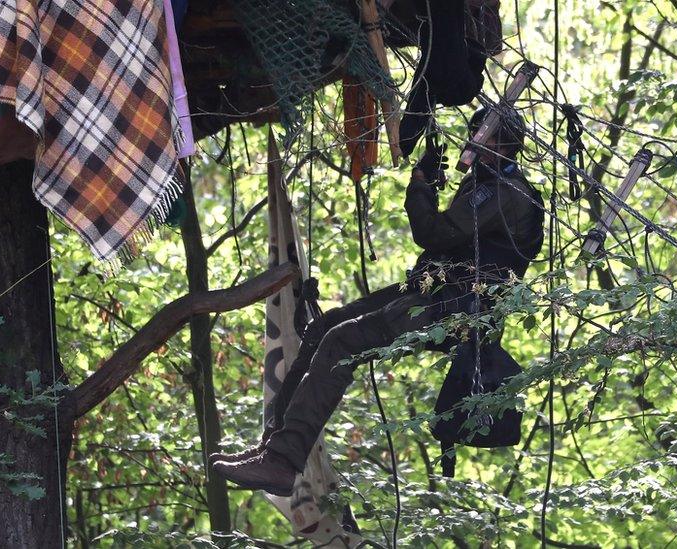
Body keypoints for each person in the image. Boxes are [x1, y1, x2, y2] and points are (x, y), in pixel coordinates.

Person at [210, 107, 544, 496]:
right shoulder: (485, 184)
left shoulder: (504, 191)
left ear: (506, 146)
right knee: (323, 329)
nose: (478, 146)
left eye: (487, 139)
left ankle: (283, 464)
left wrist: (419, 186)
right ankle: (274, 448)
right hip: (436, 291)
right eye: (477, 136)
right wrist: (430, 186)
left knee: (342, 342)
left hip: (457, 307)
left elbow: (435, 234)